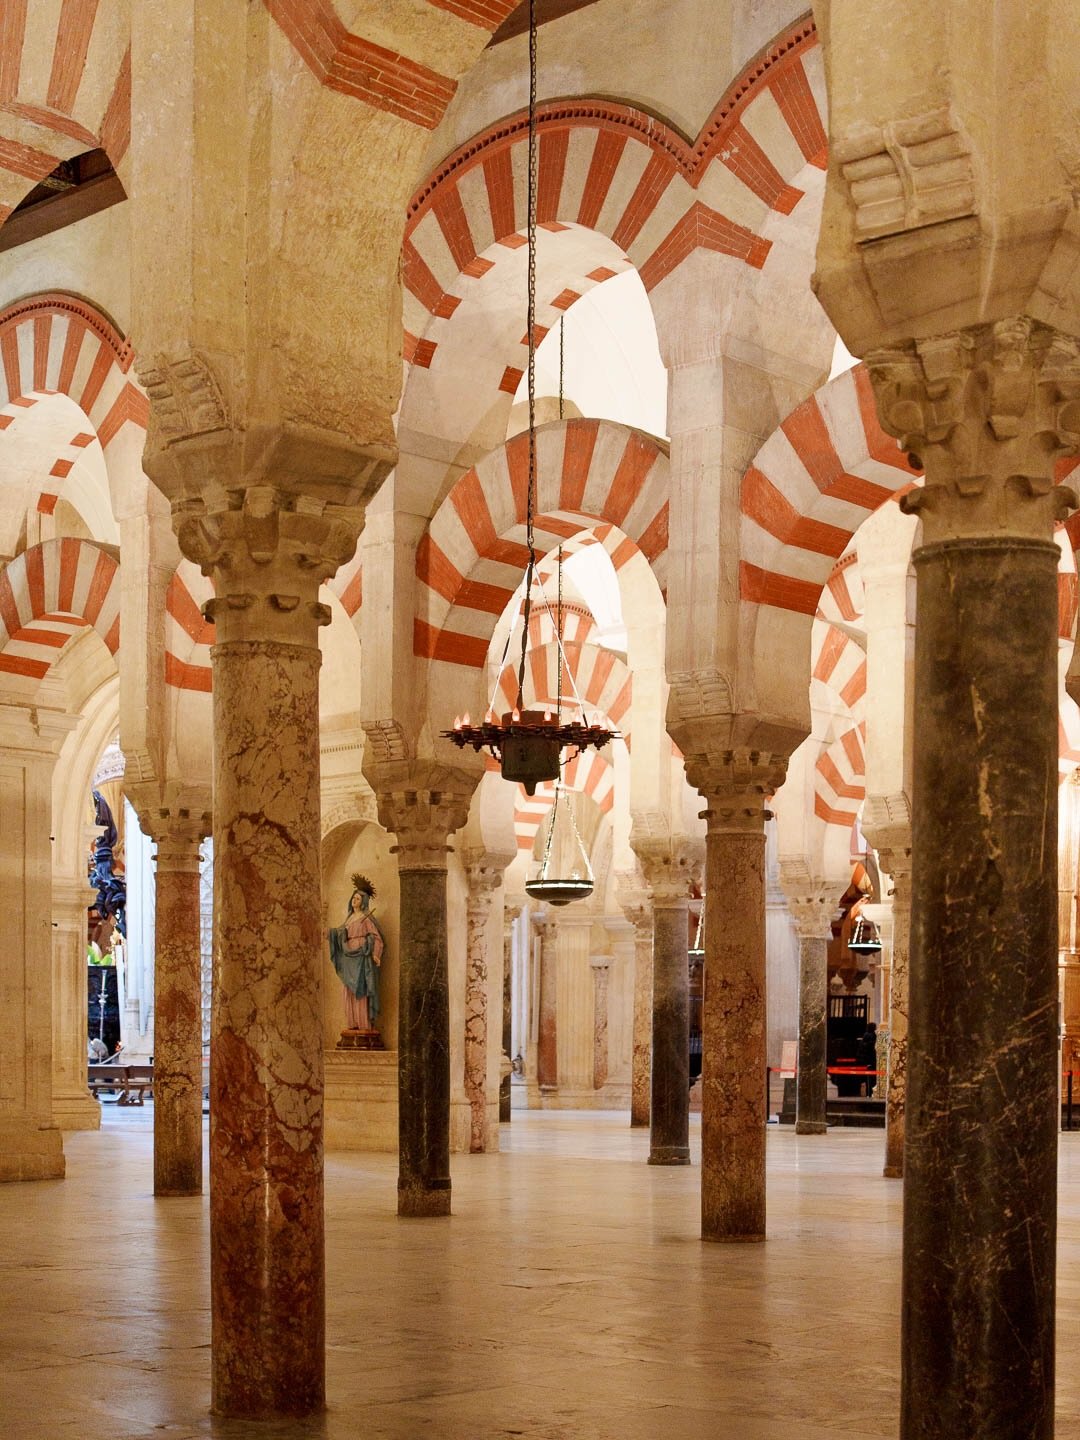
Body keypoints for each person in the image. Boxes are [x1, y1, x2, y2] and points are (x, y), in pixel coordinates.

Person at [328, 873, 385, 1031]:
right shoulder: (348, 919)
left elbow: (377, 938)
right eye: (353, 898)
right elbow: (340, 933)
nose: (354, 900)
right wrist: (330, 934)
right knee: (348, 988)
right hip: (348, 957)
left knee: (361, 988)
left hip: (361, 956)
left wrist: (375, 953)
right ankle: (352, 1023)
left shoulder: (366, 918)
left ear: (364, 901)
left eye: (358, 898)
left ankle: (363, 1024)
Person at [855, 1021, 878, 1097]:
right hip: (870, 1060)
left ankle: (868, 1093)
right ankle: (870, 1093)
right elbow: (871, 1049)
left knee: (867, 1078)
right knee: (871, 1078)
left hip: (864, 1061)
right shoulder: (872, 1036)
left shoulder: (865, 1036)